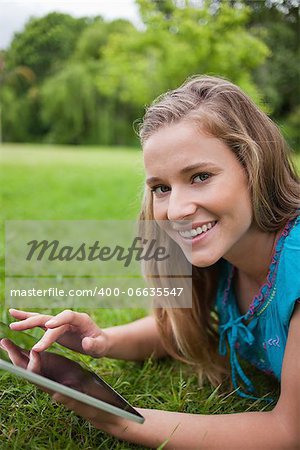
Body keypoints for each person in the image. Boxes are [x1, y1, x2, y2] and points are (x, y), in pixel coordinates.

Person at [1, 75, 300, 449]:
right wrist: (103, 340)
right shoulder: (227, 254)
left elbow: (288, 432)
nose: (175, 210)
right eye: (161, 187)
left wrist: (113, 415)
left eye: (201, 176)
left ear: (255, 165)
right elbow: (179, 325)